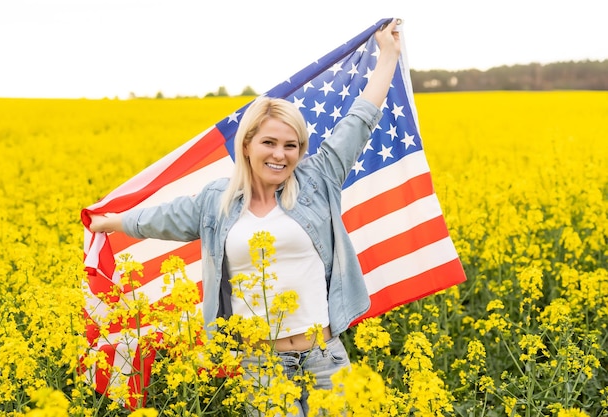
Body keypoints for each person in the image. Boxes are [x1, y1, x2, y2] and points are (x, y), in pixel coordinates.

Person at [88, 19, 402, 416]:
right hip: (261, 365)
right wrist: (109, 221)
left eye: (291, 145)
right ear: (247, 144)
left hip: (326, 358)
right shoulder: (217, 201)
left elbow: (360, 120)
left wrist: (387, 54)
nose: (280, 154)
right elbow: (159, 218)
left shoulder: (318, 179)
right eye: (269, 142)